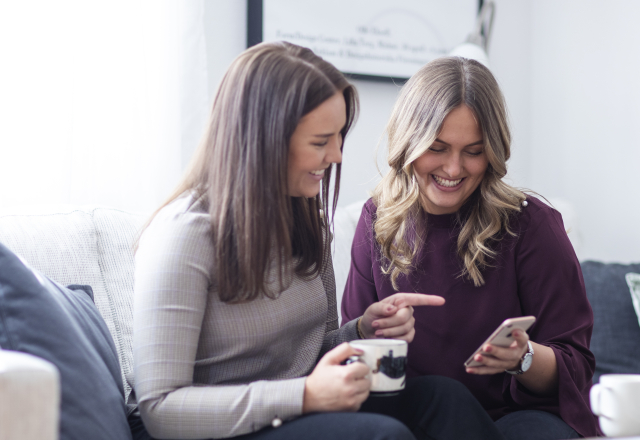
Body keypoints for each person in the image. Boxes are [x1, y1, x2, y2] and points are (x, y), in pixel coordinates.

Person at [129, 42, 505, 440]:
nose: (337, 154)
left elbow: (311, 351)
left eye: (339, 136)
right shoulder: (184, 235)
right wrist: (304, 395)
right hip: (211, 428)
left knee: (444, 399)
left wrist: (361, 330)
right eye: (320, 141)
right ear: (264, 139)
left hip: (291, 412)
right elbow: (160, 409)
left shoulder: (307, 220)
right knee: (380, 435)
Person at [341, 56, 600, 440]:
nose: (453, 168)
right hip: (419, 412)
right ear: (408, 141)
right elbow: (350, 353)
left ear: (492, 152)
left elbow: (576, 365)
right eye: (438, 147)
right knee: (443, 399)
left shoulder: (531, 225)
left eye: (474, 151)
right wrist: (368, 328)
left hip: (517, 415)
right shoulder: (378, 221)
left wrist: (524, 357)